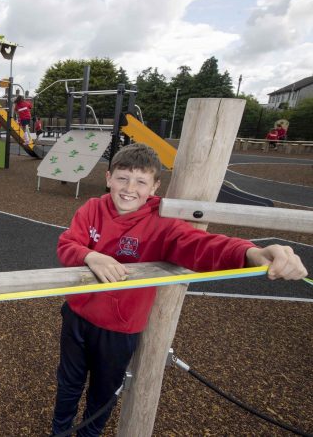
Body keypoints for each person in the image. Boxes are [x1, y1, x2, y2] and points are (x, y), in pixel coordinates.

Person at [51, 143, 308, 436]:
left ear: (155, 186)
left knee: (103, 391)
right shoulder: (93, 208)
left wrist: (251, 253)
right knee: (68, 381)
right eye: (122, 178)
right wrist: (90, 255)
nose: (129, 188)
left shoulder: (162, 223)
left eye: (140, 181)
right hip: (76, 315)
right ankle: (58, 430)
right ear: (109, 177)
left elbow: (202, 246)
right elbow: (67, 244)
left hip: (119, 328)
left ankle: (88, 434)